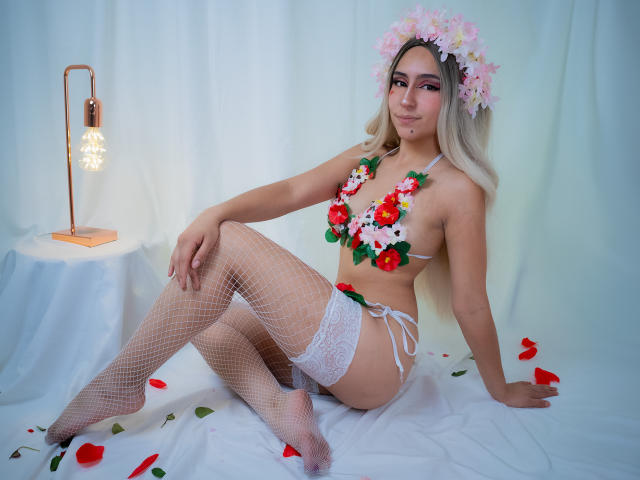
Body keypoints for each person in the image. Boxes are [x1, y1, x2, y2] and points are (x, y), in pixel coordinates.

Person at [45, 7, 559, 475]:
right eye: (399, 82)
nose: (406, 99)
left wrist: (500, 387)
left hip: (378, 353)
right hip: (335, 338)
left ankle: (119, 382)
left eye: (427, 87)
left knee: (229, 243)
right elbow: (291, 191)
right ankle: (279, 407)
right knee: (206, 317)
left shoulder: (457, 188)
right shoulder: (369, 156)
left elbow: (470, 302)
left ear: (456, 98)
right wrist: (212, 211)